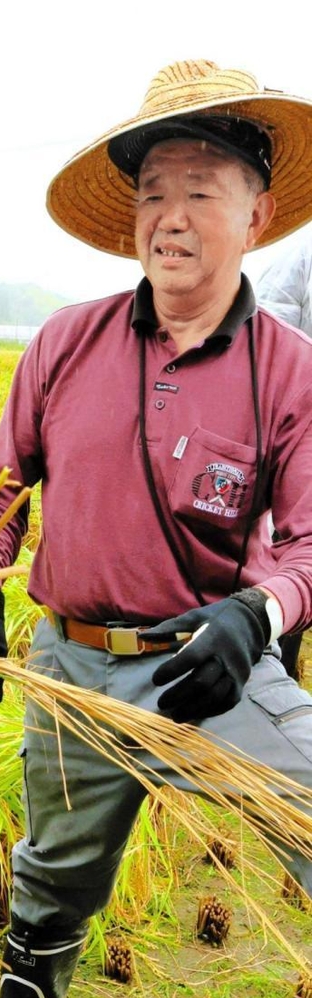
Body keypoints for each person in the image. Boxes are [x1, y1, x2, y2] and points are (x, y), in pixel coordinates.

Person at [0, 59, 312, 998]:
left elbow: (311, 543)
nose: (170, 215)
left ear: (256, 212)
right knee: (54, 870)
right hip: (74, 668)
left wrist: (258, 611)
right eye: (152, 192)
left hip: (213, 668)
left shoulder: (289, 370)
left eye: (199, 189)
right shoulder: (65, 343)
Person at [255, 228, 312, 677]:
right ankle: (281, 677)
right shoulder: (299, 258)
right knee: (294, 561)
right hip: (301, 439)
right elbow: (265, 354)